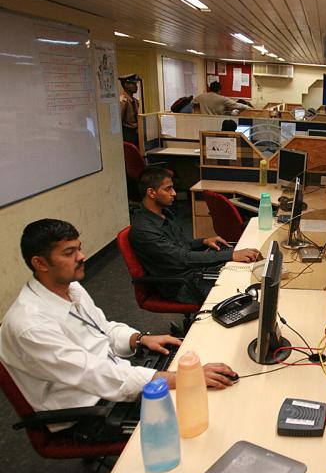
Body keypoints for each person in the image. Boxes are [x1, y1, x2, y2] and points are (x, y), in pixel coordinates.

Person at [0, 219, 238, 440]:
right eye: (69, 253)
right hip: (90, 411)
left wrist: (139, 338)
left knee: (201, 375)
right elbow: (95, 375)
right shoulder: (31, 325)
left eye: (79, 248)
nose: (82, 256)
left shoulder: (70, 288)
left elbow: (102, 329)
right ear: (40, 263)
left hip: (113, 379)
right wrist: (181, 379)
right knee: (203, 418)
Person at [129, 167, 262, 305]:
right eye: (168, 189)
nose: (174, 193)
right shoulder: (145, 230)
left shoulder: (163, 214)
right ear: (151, 193)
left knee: (247, 273)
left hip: (193, 271)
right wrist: (231, 255)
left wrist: (204, 241)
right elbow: (182, 258)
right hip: (181, 284)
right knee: (246, 300)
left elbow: (181, 246)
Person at [119, 73, 140, 146]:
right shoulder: (123, 101)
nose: (136, 87)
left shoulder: (135, 101)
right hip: (127, 134)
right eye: (133, 84)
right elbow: (119, 122)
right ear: (126, 85)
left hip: (135, 133)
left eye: (136, 84)